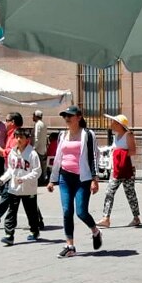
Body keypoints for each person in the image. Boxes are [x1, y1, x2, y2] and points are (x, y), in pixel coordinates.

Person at [47, 106, 103, 258]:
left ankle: (95, 231)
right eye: (65, 116)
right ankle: (70, 246)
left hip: (82, 179)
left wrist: (94, 179)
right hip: (65, 177)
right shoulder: (62, 135)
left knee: (81, 212)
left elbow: (94, 157)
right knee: (66, 211)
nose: (67, 118)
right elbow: (58, 157)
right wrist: (52, 180)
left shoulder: (88, 135)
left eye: (70, 115)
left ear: (79, 117)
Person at [0, 128, 43, 246]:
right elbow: (11, 169)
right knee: (11, 211)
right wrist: (3, 179)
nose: (18, 140)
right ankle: (9, 235)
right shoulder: (13, 152)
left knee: (31, 212)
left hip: (28, 189)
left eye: (21, 137)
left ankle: (34, 230)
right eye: (16, 137)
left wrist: (24, 179)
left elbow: (37, 172)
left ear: (27, 139)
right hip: (14, 188)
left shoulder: (32, 154)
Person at [97, 114, 141, 228]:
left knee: (130, 193)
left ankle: (136, 218)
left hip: (127, 169)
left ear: (120, 125)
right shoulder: (116, 135)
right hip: (116, 169)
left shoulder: (128, 135)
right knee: (109, 192)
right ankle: (106, 218)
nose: (111, 124)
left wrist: (120, 153)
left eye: (114, 122)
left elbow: (133, 151)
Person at [33, 110, 48, 182]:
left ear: (36, 116)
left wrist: (34, 148)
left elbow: (37, 137)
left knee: (37, 165)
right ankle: (43, 178)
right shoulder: (43, 124)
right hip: (42, 148)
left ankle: (40, 180)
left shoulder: (38, 124)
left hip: (38, 149)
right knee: (42, 165)